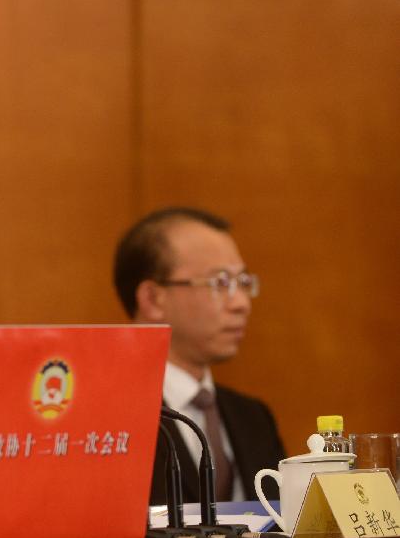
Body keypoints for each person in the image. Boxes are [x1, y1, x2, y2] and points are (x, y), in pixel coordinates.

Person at [113, 207, 285, 504]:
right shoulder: (108, 419)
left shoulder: (254, 418)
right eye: (221, 283)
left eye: (243, 282)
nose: (242, 303)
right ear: (153, 299)